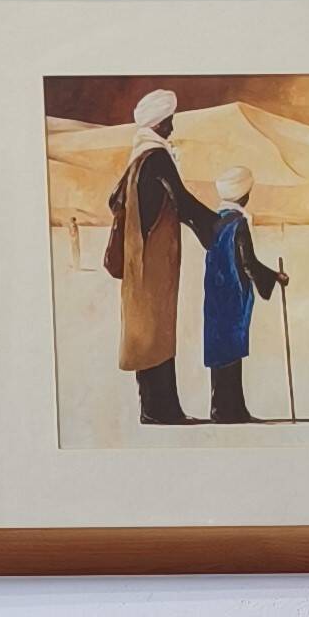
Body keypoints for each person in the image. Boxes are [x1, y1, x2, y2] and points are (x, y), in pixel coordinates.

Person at [101, 89, 215, 425]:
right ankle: (161, 410)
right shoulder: (156, 158)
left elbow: (115, 200)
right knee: (156, 332)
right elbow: (182, 201)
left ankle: (154, 407)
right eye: (169, 122)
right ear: (158, 123)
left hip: (140, 259)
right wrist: (218, 227)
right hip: (153, 262)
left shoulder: (138, 159)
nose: (172, 128)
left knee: (147, 331)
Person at [198, 167, 289, 423]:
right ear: (243, 195)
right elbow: (248, 263)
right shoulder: (238, 223)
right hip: (232, 293)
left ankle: (223, 408)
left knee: (220, 348)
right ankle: (230, 411)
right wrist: (275, 277)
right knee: (231, 347)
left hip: (214, 294)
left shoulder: (214, 221)